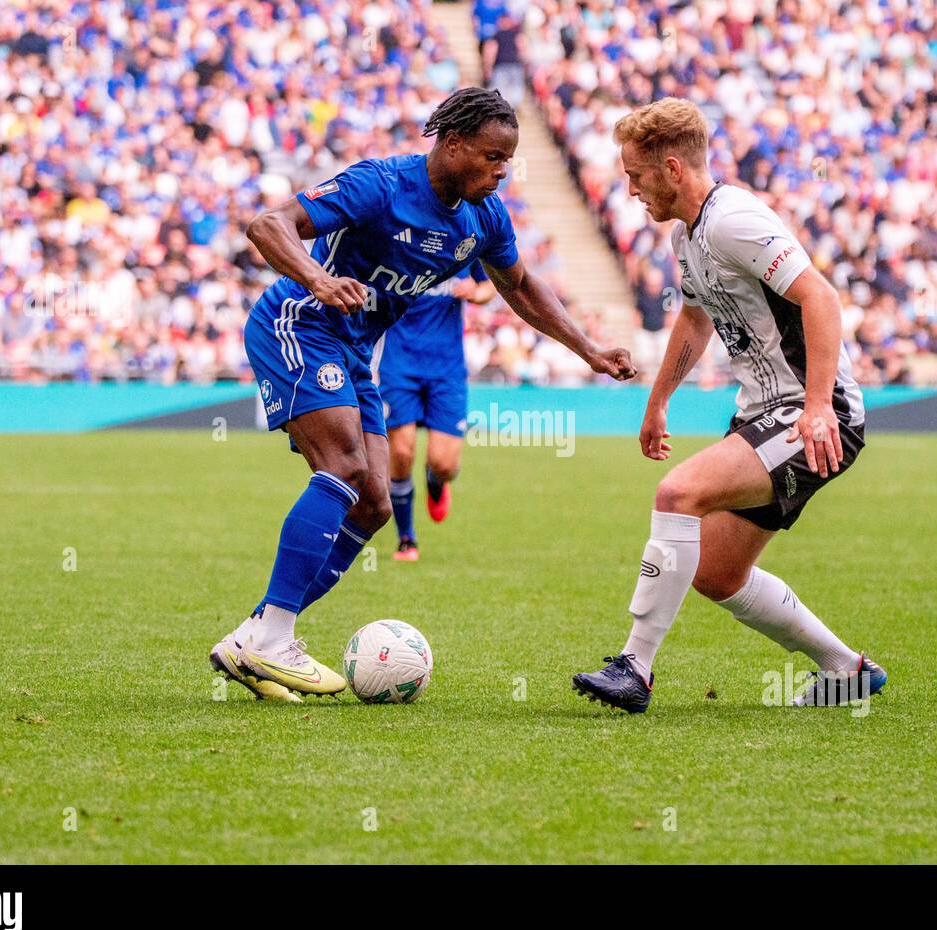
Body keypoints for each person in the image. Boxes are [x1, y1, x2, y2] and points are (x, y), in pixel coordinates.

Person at [209, 87, 636, 701]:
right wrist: (320, 279)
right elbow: (267, 225)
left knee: (375, 504)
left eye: (507, 161)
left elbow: (519, 285)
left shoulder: (484, 216)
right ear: (452, 143)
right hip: (300, 322)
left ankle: (257, 635)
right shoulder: (379, 185)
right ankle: (272, 636)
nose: (500, 172)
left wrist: (589, 349)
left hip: (356, 350)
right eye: (492, 157)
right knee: (346, 467)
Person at [571, 99, 886, 713]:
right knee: (715, 572)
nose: (630, 189)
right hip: (766, 413)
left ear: (672, 168)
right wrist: (657, 400)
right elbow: (694, 318)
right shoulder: (686, 234)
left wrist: (819, 405)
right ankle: (846, 670)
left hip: (815, 414)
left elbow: (819, 298)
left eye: (636, 175)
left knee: (676, 494)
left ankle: (634, 668)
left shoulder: (734, 219)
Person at [375, 262, 494, 562]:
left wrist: (477, 293)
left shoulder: (463, 242)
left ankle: (435, 480)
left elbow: (490, 285)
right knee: (401, 453)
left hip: (447, 370)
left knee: (445, 464)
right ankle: (406, 539)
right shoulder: (398, 238)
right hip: (398, 365)